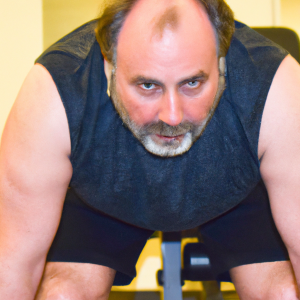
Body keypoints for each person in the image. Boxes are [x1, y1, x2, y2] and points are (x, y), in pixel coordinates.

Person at [0, 0, 300, 299]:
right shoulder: (55, 94)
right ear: (108, 67)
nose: (172, 115)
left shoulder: (276, 87)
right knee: (62, 294)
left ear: (222, 63)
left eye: (192, 83)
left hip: (239, 194)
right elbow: (14, 265)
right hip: (99, 199)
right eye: (147, 86)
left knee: (284, 293)